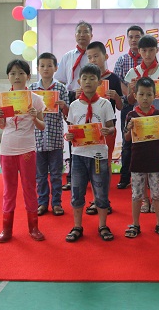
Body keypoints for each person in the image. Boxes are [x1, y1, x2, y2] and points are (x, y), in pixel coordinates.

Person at [0, 59, 46, 243]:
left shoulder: (35, 99)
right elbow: (3, 126)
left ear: (28, 76)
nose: (17, 77)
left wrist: (34, 117)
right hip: (7, 149)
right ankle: (6, 229)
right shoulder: (2, 99)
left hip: (27, 149)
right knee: (9, 189)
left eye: (21, 73)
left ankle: (34, 228)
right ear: (8, 77)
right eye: (13, 74)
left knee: (29, 188)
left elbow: (42, 126)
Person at [64, 64, 116, 243]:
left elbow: (111, 126)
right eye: (84, 78)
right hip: (78, 155)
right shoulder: (74, 105)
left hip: (98, 155)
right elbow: (71, 130)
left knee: (101, 191)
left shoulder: (105, 104)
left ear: (99, 82)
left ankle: (103, 225)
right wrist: (69, 136)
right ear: (79, 81)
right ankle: (77, 226)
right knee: (77, 192)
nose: (88, 81)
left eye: (92, 78)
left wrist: (109, 131)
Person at [124, 34, 159, 213]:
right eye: (144, 50)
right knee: (141, 160)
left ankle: (156, 197)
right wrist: (131, 91)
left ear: (157, 50)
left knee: (157, 160)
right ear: (139, 51)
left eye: (151, 50)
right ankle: (145, 199)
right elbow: (130, 101)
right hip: (139, 123)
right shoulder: (132, 73)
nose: (147, 54)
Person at [123, 77, 159, 239]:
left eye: (149, 94)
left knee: (157, 195)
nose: (145, 98)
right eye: (141, 94)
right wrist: (129, 128)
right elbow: (127, 138)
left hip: (155, 161)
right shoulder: (131, 115)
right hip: (137, 161)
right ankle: (135, 224)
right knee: (136, 195)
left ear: (154, 96)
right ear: (135, 95)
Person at [83, 40, 123, 216]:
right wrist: (78, 94)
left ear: (105, 57)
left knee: (104, 164)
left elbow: (121, 106)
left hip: (107, 128)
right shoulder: (85, 79)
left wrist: (116, 97)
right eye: (89, 57)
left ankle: (104, 201)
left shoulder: (113, 78)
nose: (93, 60)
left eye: (96, 56)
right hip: (89, 129)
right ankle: (95, 200)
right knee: (92, 164)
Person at [29, 52, 69, 217]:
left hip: (55, 138)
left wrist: (64, 106)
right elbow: (26, 114)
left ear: (56, 68)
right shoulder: (31, 89)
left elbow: (68, 115)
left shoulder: (61, 88)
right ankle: (42, 202)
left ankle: (57, 203)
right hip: (36, 139)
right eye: (42, 66)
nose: (46, 69)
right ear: (37, 68)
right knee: (40, 175)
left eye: (49, 65)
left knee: (56, 174)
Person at [55, 21, 93, 191]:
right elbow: (60, 81)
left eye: (86, 32)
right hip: (73, 98)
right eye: (79, 32)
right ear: (75, 35)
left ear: (91, 35)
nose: (82, 35)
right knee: (74, 137)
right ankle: (73, 177)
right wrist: (68, 97)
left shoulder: (94, 55)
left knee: (91, 135)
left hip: (91, 98)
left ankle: (92, 176)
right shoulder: (68, 56)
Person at [114, 25, 144, 189]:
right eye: (131, 37)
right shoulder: (122, 60)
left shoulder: (147, 59)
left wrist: (139, 97)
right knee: (127, 142)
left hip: (145, 106)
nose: (134, 40)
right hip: (127, 105)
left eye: (137, 36)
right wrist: (131, 97)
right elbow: (118, 81)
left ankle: (144, 177)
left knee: (144, 141)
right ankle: (125, 177)